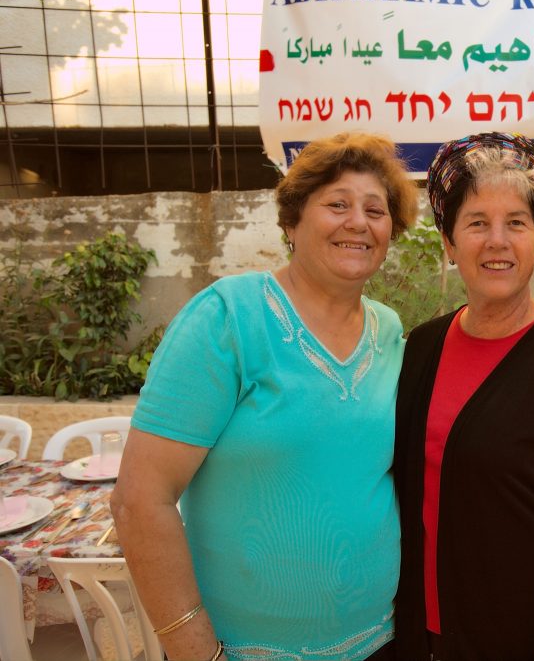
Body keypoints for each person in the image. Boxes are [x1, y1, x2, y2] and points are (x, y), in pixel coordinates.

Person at [111, 132, 418, 661]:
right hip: (242, 651)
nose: (359, 222)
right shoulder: (228, 319)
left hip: (379, 640)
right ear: (293, 221)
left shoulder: (389, 331)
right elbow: (140, 500)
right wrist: (193, 649)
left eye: (377, 209)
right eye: (337, 204)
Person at [393, 132, 534, 661]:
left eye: (516, 222)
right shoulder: (423, 347)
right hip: (416, 640)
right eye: (476, 223)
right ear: (448, 242)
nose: (497, 241)